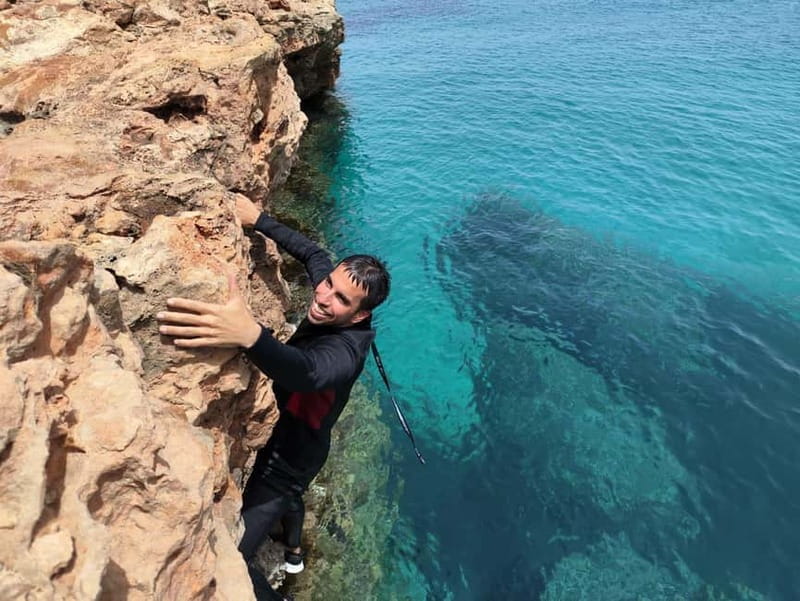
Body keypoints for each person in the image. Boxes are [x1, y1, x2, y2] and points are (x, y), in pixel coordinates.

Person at [156, 196, 390, 601]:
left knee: (232, 559)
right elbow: (313, 253)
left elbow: (308, 372)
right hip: (294, 438)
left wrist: (250, 335)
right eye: (329, 284)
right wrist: (259, 219)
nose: (323, 296)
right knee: (292, 499)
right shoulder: (330, 289)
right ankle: (294, 551)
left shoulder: (346, 352)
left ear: (359, 316)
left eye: (341, 300)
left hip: (288, 462)